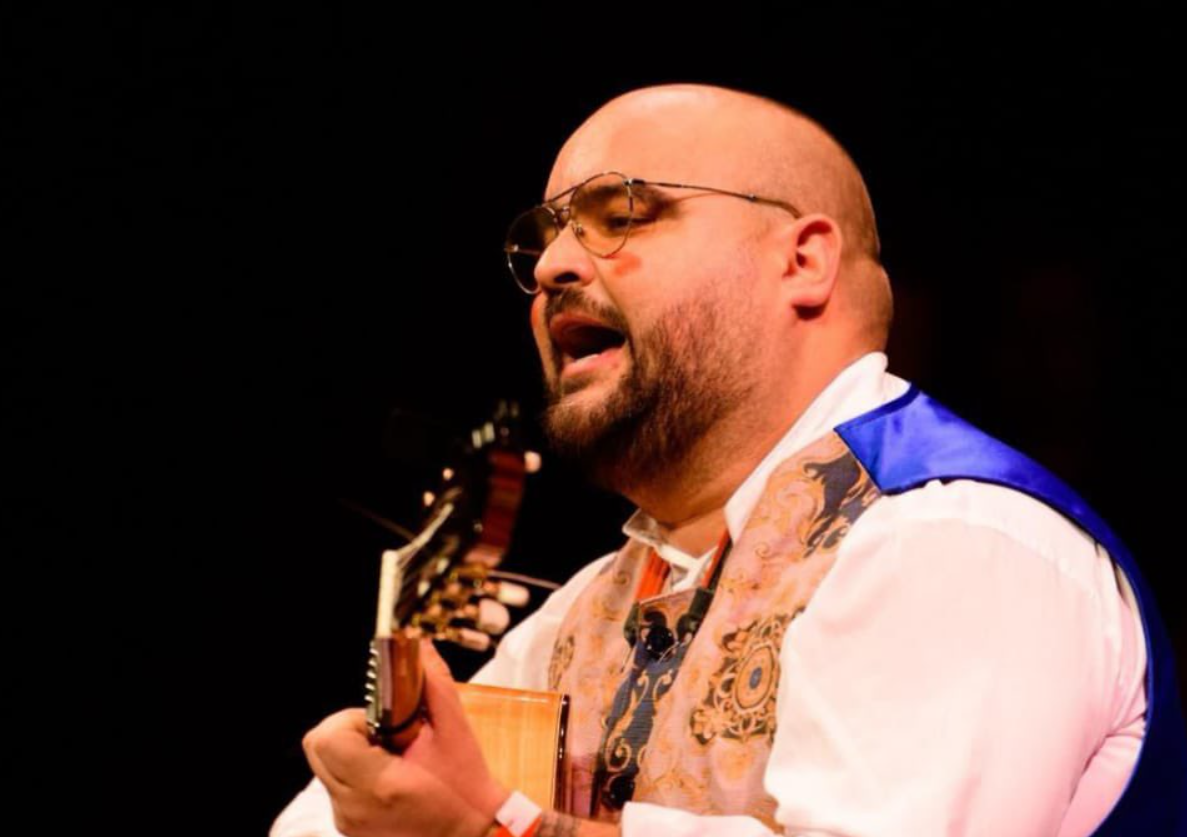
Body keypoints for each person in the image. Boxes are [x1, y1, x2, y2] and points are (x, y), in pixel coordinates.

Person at [272, 84, 1185, 837]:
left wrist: (485, 825)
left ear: (803, 261)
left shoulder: (950, 537)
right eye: (544, 237)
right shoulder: (591, 609)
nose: (551, 265)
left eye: (622, 212)